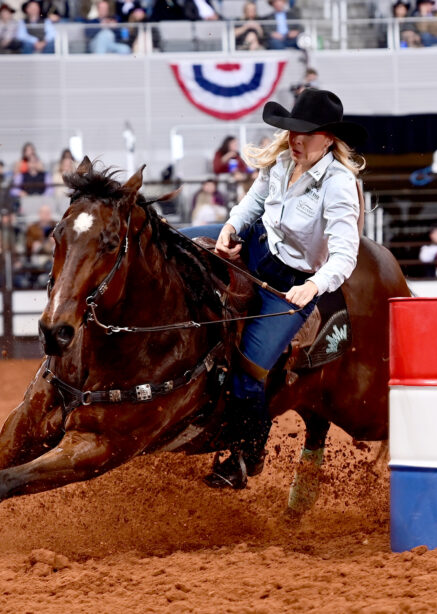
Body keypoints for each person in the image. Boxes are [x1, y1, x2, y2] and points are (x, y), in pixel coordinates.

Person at [183, 89, 368, 489]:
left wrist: (312, 286)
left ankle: (247, 454)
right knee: (177, 245)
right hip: (254, 246)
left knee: (250, 370)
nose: (295, 139)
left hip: (287, 286)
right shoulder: (283, 161)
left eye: (306, 132)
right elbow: (252, 203)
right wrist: (230, 227)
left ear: (328, 139)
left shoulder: (338, 184)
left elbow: (344, 256)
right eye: (292, 130)